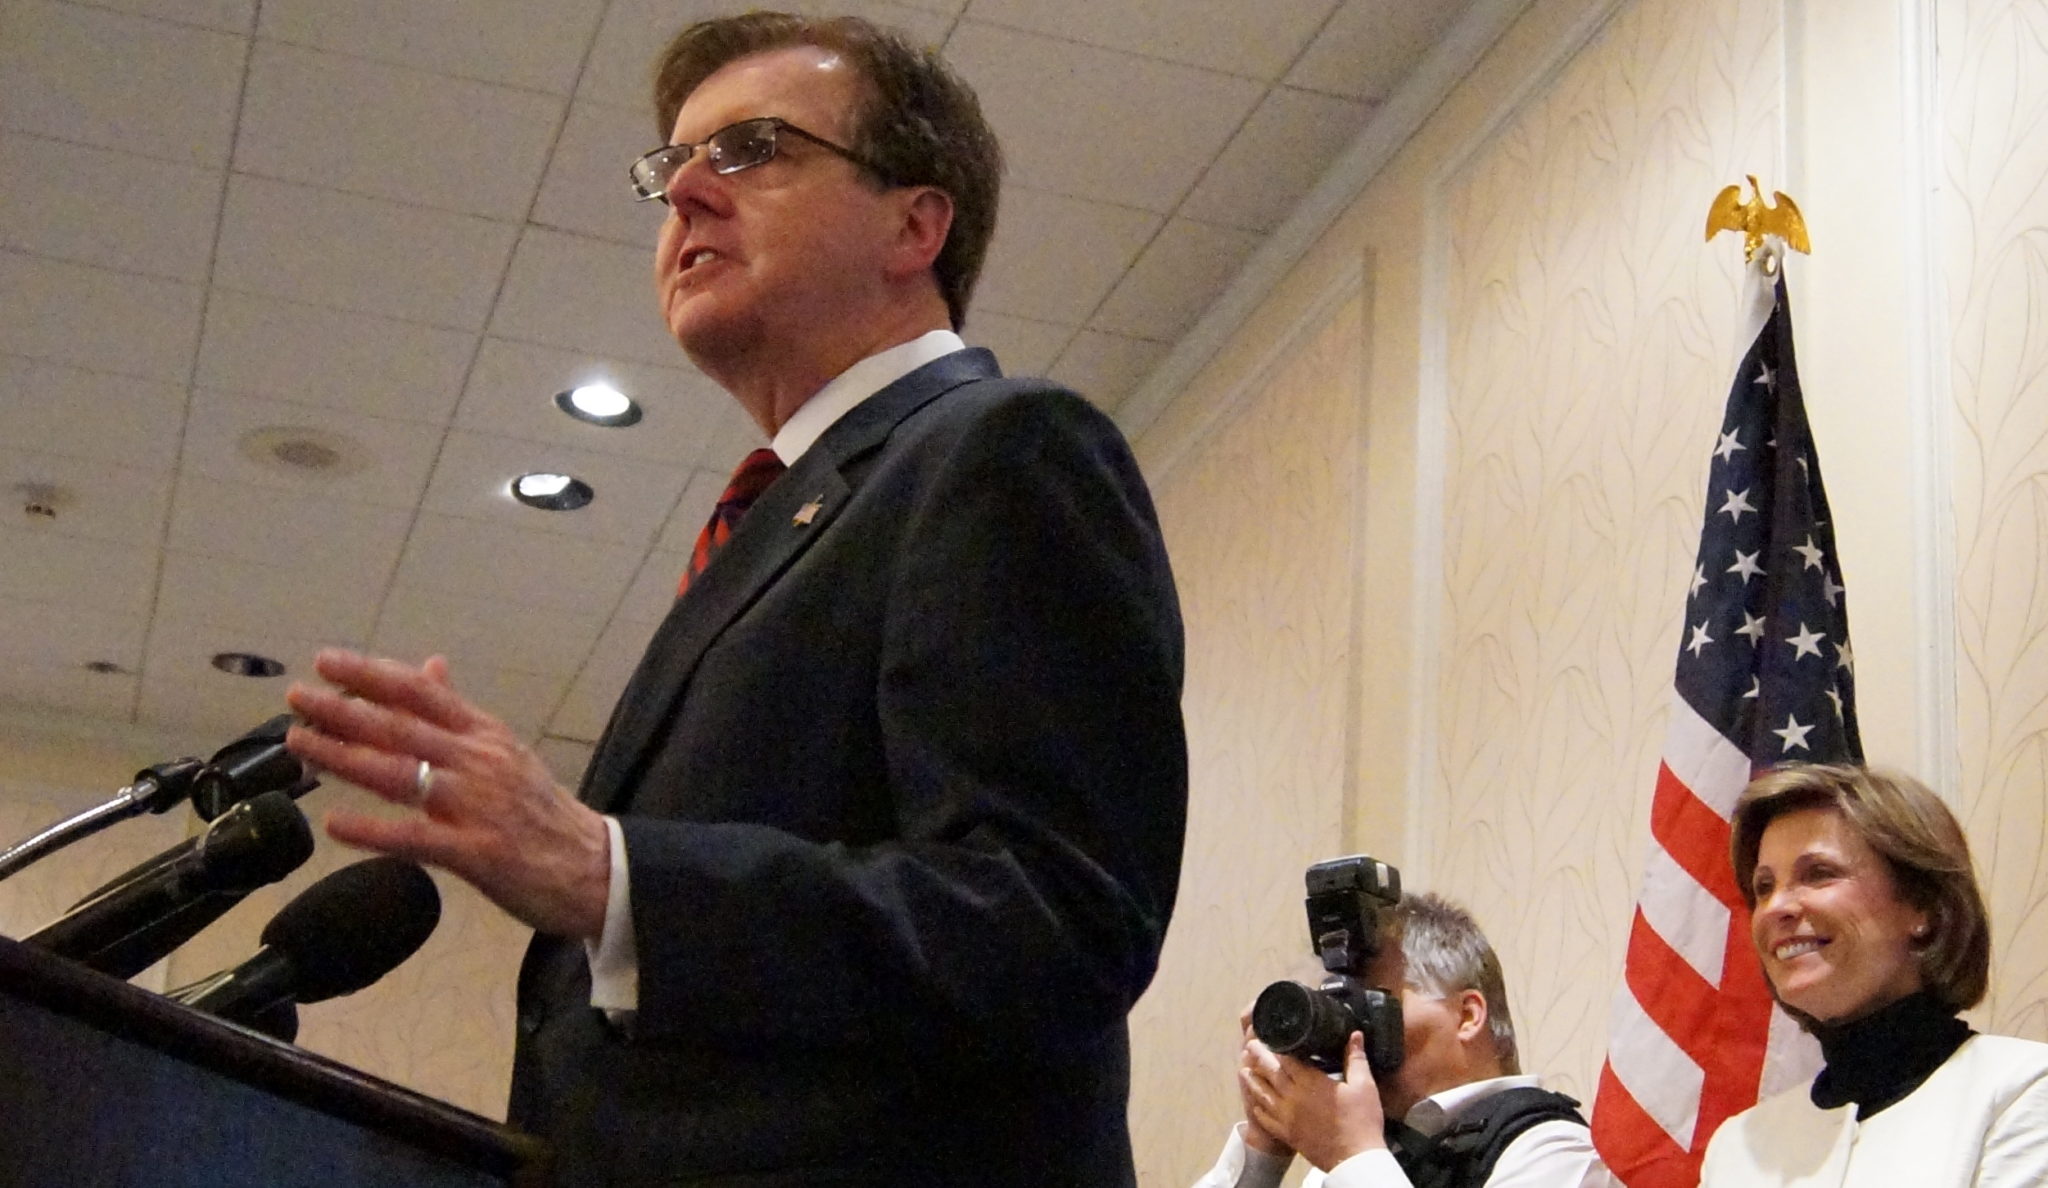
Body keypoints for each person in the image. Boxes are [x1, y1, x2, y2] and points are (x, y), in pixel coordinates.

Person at [282, 12, 1187, 1187]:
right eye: (670, 169)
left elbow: (1052, 920)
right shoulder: (779, 517)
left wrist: (614, 878)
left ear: (916, 223)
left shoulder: (1001, 448)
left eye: (753, 149)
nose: (687, 197)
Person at [1701, 763, 2048, 1184]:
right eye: (1764, 886)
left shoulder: (2021, 1091)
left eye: (1818, 873)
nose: (1777, 907)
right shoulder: (1738, 1147)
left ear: (1923, 906)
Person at [1196, 893, 1612, 1188]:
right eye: (1339, 1003)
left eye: (1371, 1002)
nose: (1350, 1029)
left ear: (1467, 1016)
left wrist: (1352, 1155)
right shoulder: (1361, 1155)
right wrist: (1263, 1151)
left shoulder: (1555, 1154)